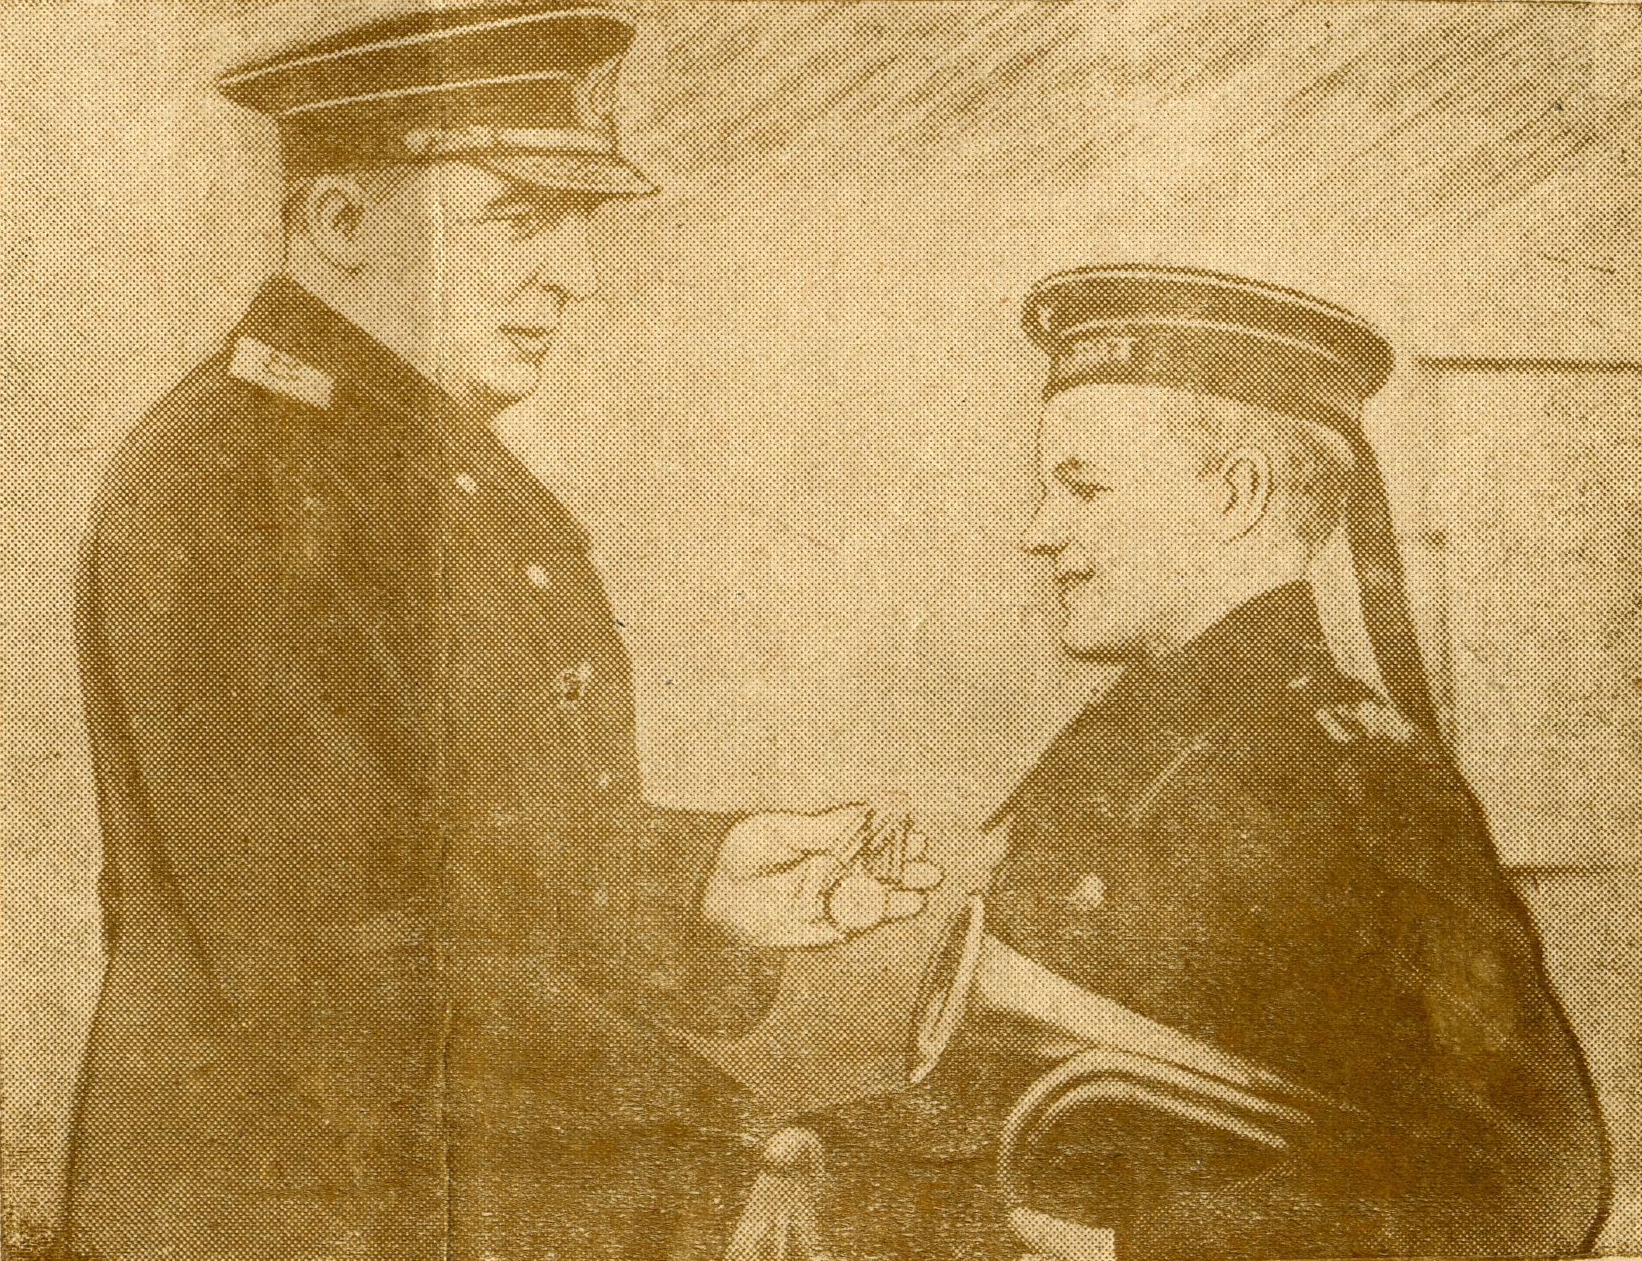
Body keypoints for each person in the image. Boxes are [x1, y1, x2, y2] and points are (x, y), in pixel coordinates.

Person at [63, 8, 947, 1260]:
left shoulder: (421, 467)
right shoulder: (233, 479)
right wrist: (725, 1136)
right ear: (341, 224)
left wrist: (702, 881)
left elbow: (464, 854)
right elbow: (332, 957)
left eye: (577, 224)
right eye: (518, 220)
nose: (576, 276)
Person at [817, 266, 1610, 1260]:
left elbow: (1532, 1181)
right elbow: (1016, 1096)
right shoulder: (1116, 749)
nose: (1038, 532)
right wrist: (821, 1151)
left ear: (1237, 494)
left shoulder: (1356, 779)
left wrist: (1144, 1246)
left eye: (1083, 488)